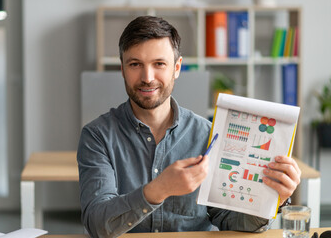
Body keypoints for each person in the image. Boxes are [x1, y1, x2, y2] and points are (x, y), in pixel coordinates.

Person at [77, 16, 301, 238]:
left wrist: (271, 200)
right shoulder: (97, 136)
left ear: (176, 68)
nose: (147, 77)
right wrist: (160, 189)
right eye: (135, 64)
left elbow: (228, 219)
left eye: (159, 64)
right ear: (123, 69)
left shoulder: (208, 135)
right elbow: (97, 224)